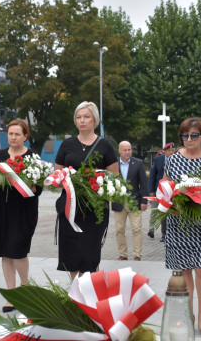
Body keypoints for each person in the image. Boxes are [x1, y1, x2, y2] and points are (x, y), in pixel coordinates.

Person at [162, 117, 201, 334]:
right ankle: (188, 312)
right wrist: (176, 197)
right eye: (185, 135)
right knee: (185, 269)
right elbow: (164, 187)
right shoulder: (173, 160)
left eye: (194, 135)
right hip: (179, 222)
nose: (189, 139)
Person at [54, 101, 119, 280]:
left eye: (86, 117)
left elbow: (115, 177)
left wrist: (95, 180)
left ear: (95, 120)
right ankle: (75, 295)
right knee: (72, 254)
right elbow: (56, 175)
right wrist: (64, 179)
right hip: (69, 208)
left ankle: (90, 296)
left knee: (90, 255)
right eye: (78, 117)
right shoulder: (67, 144)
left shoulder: (105, 146)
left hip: (94, 210)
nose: (82, 120)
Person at [0, 119, 42, 313]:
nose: (13, 137)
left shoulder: (33, 156)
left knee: (18, 251)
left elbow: (38, 188)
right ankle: (11, 295)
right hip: (1, 210)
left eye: (18, 134)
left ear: (26, 136)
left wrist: (26, 181)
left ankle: (25, 292)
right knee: (5, 251)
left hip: (23, 211)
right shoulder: (0, 155)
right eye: (10, 134)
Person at [111, 141, 148, 261]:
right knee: (119, 230)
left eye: (129, 149)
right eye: (125, 150)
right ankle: (123, 254)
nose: (128, 152)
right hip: (118, 202)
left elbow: (143, 184)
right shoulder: (113, 164)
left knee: (137, 229)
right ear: (119, 151)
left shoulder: (138, 163)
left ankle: (137, 255)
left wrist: (144, 201)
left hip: (134, 202)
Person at [148, 142, 174, 241]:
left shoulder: (176, 160)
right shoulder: (158, 160)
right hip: (158, 190)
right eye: (169, 151)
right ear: (165, 151)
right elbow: (152, 176)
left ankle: (164, 234)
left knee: (166, 212)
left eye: (173, 150)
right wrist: (151, 191)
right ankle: (151, 230)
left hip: (170, 191)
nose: (171, 152)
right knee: (155, 210)